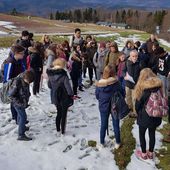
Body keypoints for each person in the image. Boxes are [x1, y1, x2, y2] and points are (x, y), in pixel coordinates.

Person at [134, 68, 162, 160]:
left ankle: (143, 153)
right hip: (155, 115)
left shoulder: (143, 90)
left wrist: (138, 113)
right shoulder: (158, 86)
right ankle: (150, 153)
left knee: (142, 134)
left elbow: (137, 105)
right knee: (152, 133)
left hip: (144, 116)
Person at [96, 65, 123, 149]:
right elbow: (122, 92)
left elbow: (97, 96)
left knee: (103, 124)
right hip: (115, 106)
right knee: (116, 124)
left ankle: (102, 142)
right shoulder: (116, 83)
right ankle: (118, 142)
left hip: (103, 106)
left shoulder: (99, 84)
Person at [47, 58, 74, 135]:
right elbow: (68, 87)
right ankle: (63, 130)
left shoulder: (51, 74)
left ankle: (58, 128)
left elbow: (49, 85)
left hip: (55, 96)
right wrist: (71, 95)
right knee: (64, 114)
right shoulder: (63, 74)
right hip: (64, 96)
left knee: (58, 112)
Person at [8, 70, 35, 141]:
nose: (29, 83)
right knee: (23, 117)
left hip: (22, 102)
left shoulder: (26, 78)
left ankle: (22, 126)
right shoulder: (17, 82)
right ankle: (21, 135)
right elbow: (11, 95)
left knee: (20, 115)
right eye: (28, 82)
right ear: (25, 78)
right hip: (18, 103)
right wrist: (19, 103)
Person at [3, 45, 26, 123]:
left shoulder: (19, 61)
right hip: (13, 86)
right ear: (16, 53)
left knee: (18, 101)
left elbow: (23, 71)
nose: (23, 55)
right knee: (14, 102)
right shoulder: (10, 62)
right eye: (22, 53)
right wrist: (13, 85)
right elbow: (7, 78)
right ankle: (16, 118)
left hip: (19, 85)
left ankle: (19, 117)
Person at [123, 50, 141, 117]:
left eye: (136, 56)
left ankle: (135, 112)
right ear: (130, 56)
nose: (134, 57)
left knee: (134, 99)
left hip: (135, 85)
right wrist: (124, 75)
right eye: (133, 56)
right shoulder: (127, 62)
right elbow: (123, 70)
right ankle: (129, 109)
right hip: (128, 83)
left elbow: (142, 73)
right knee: (128, 97)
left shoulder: (140, 63)